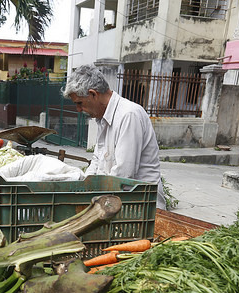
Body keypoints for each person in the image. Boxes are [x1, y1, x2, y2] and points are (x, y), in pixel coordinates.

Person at [63, 64, 166, 209]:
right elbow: (97, 161)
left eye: (79, 103)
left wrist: (94, 199)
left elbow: (124, 174)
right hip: (116, 200)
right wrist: (85, 187)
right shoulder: (102, 118)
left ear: (93, 94)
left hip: (142, 206)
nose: (78, 109)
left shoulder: (129, 115)